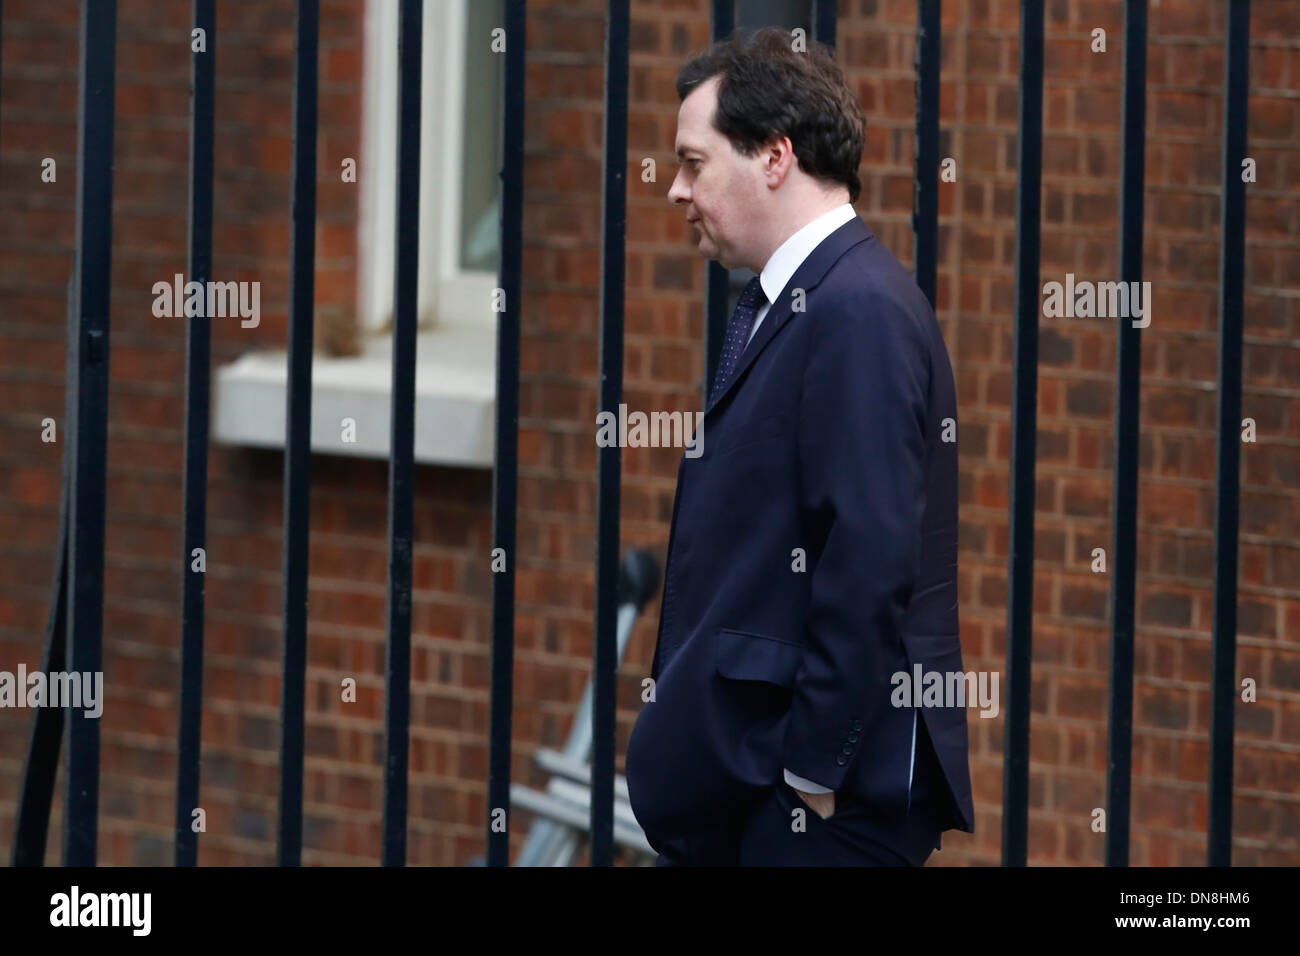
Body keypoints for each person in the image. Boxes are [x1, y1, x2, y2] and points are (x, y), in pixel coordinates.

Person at [624, 26, 975, 866]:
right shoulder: (798, 301)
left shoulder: (857, 309)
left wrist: (813, 768)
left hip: (824, 809)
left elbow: (869, 560)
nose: (674, 190)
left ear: (774, 158)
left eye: (694, 162)